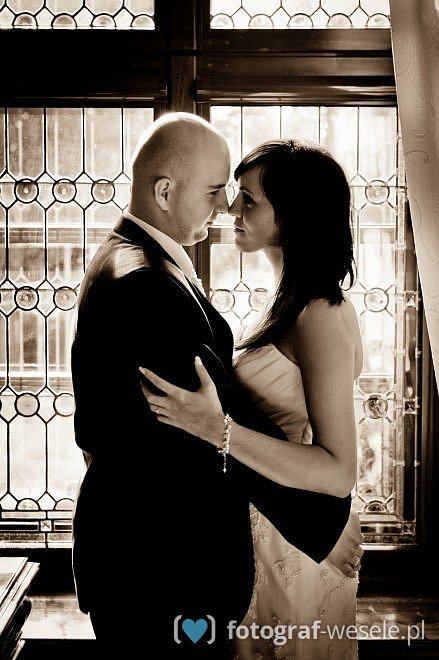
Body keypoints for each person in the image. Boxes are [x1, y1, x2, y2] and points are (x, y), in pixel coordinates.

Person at [71, 115, 362, 658]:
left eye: (246, 198)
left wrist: (323, 522)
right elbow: (160, 431)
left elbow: (330, 463)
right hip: (165, 563)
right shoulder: (147, 279)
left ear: (291, 216)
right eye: (221, 191)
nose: (228, 207)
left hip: (273, 537)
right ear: (165, 192)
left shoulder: (317, 313)